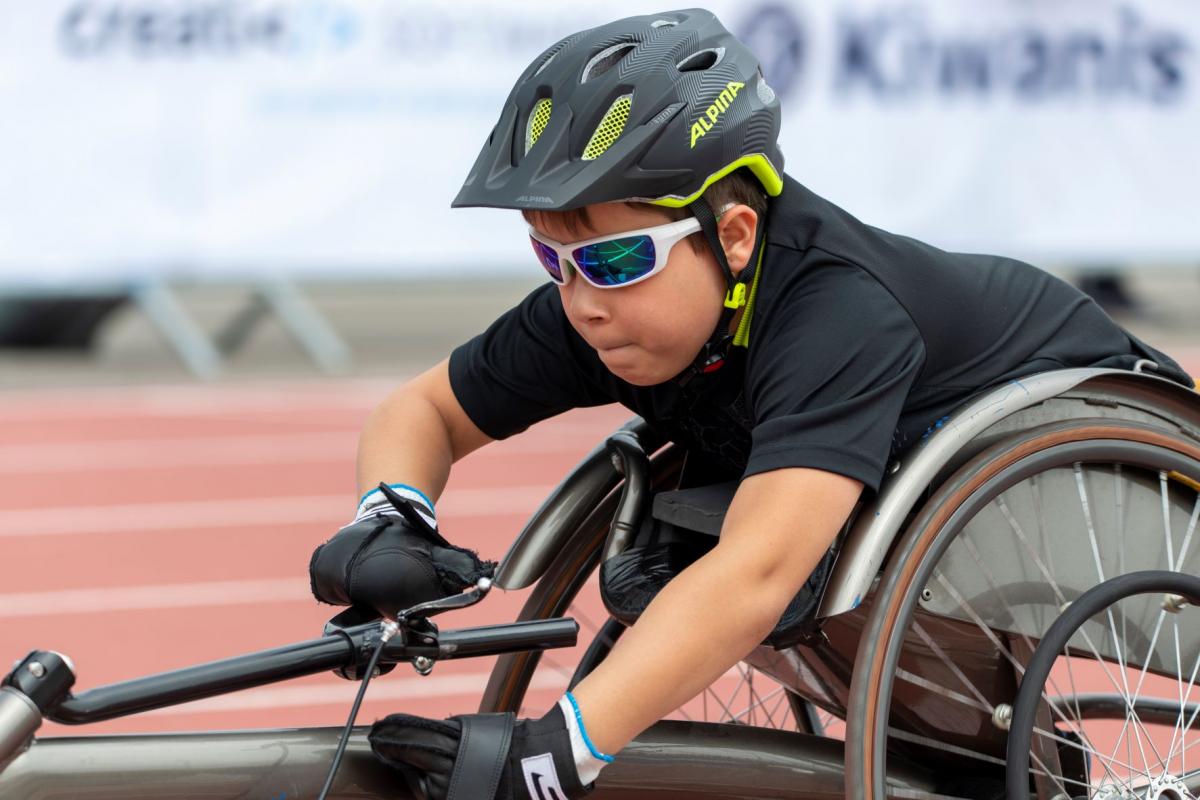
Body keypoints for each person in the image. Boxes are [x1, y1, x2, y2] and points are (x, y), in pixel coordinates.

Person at [308, 9, 1195, 799]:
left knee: (786, 567)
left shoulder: (836, 314)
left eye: (615, 263)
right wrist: (393, 514)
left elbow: (760, 572)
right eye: (553, 261)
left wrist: (556, 753)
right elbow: (422, 411)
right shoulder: (610, 304)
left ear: (732, 237)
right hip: (904, 463)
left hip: (1085, 428)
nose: (582, 301)